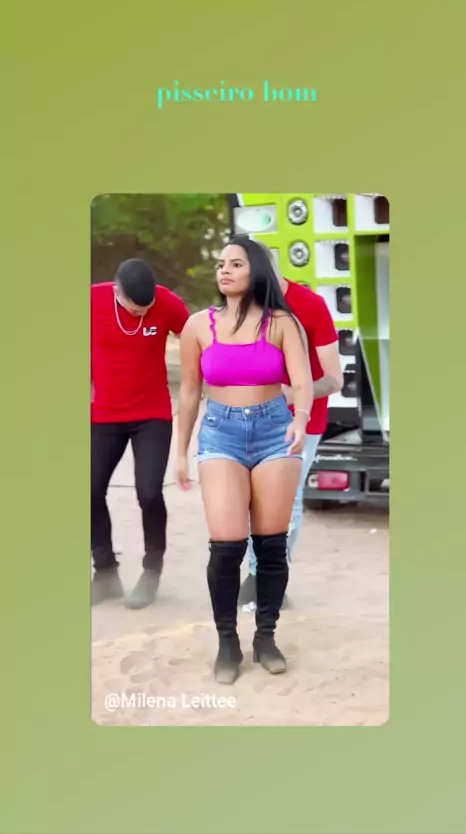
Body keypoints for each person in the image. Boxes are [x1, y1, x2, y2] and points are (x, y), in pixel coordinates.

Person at [176, 236, 313, 684]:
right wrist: (181, 451)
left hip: (275, 431)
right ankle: (227, 642)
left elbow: (302, 380)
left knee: (270, 544)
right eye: (221, 263)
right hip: (221, 433)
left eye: (235, 263)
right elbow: (190, 391)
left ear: (255, 270)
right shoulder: (198, 325)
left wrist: (301, 419)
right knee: (226, 546)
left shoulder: (282, 323)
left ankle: (266, 637)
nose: (225, 270)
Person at [239, 246, 344, 608]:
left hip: (301, 421)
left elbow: (334, 379)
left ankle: (268, 575)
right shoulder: (245, 305)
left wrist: (291, 392)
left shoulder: (311, 305)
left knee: (285, 499)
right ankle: (257, 571)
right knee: (250, 498)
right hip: (251, 417)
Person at [91, 258, 189, 609]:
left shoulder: (167, 303)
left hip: (152, 415)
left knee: (148, 492)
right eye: (136, 309)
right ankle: (105, 572)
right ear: (117, 292)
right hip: (104, 414)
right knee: (88, 490)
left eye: (147, 309)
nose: (142, 314)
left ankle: (151, 570)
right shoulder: (91, 301)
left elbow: (196, 338)